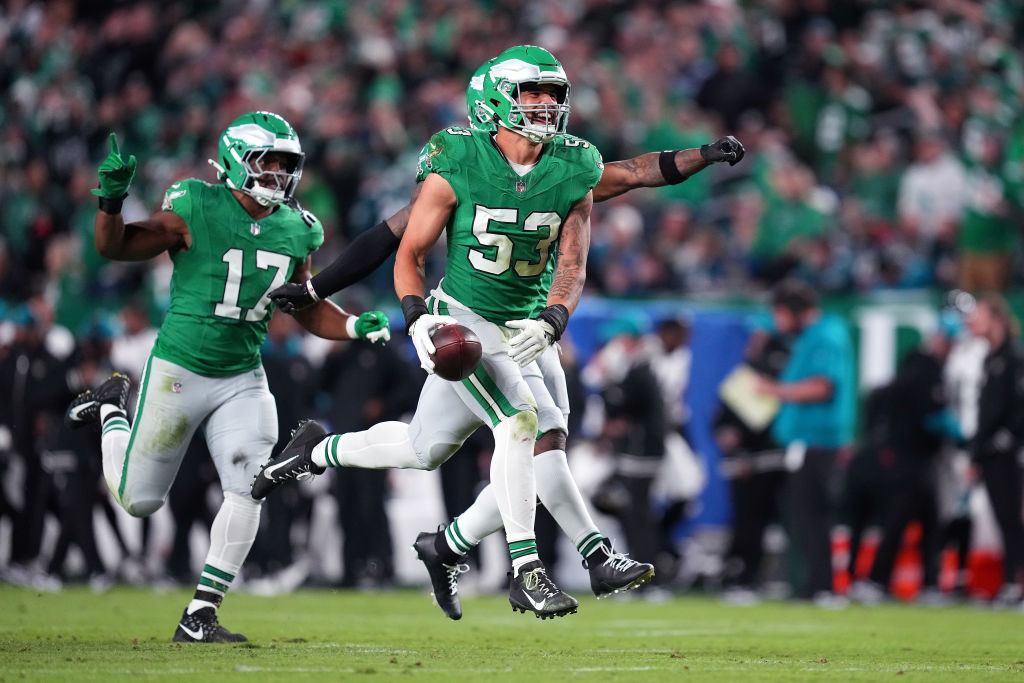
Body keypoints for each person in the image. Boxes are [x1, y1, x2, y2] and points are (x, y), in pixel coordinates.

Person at [265, 52, 744, 619]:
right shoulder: (457, 159)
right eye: (532, 93)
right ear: (493, 100)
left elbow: (619, 197)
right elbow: (400, 246)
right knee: (519, 424)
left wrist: (555, 319)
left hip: (527, 327)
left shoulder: (573, 166)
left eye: (551, 93)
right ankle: (540, 567)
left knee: (437, 449)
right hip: (464, 320)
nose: (545, 105)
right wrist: (408, 314)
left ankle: (351, 475)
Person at [64, 111, 391, 642]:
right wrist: (111, 201)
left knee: (250, 486)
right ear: (237, 159)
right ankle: (109, 408)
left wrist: (353, 325)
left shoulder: (298, 228)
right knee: (138, 500)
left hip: (243, 375)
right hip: (179, 369)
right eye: (268, 161)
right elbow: (113, 246)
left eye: (287, 164)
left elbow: (303, 307)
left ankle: (200, 613)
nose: (279, 174)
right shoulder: (195, 204)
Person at [756, 279, 855, 607]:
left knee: (814, 516)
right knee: (804, 516)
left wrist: (776, 391)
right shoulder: (814, 336)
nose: (777, 322)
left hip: (816, 440)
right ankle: (814, 586)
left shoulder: (825, 336)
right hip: (806, 440)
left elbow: (823, 386)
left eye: (780, 313)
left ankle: (823, 586)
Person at [964, 293, 1024, 608]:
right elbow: (985, 413)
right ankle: (1010, 582)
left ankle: (1015, 583)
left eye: (980, 316)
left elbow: (1017, 409)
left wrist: (1005, 440)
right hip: (990, 453)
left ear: (997, 319)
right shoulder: (990, 359)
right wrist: (976, 454)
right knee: (1004, 520)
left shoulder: (1014, 359)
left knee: (1013, 519)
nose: (974, 322)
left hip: (1008, 454)